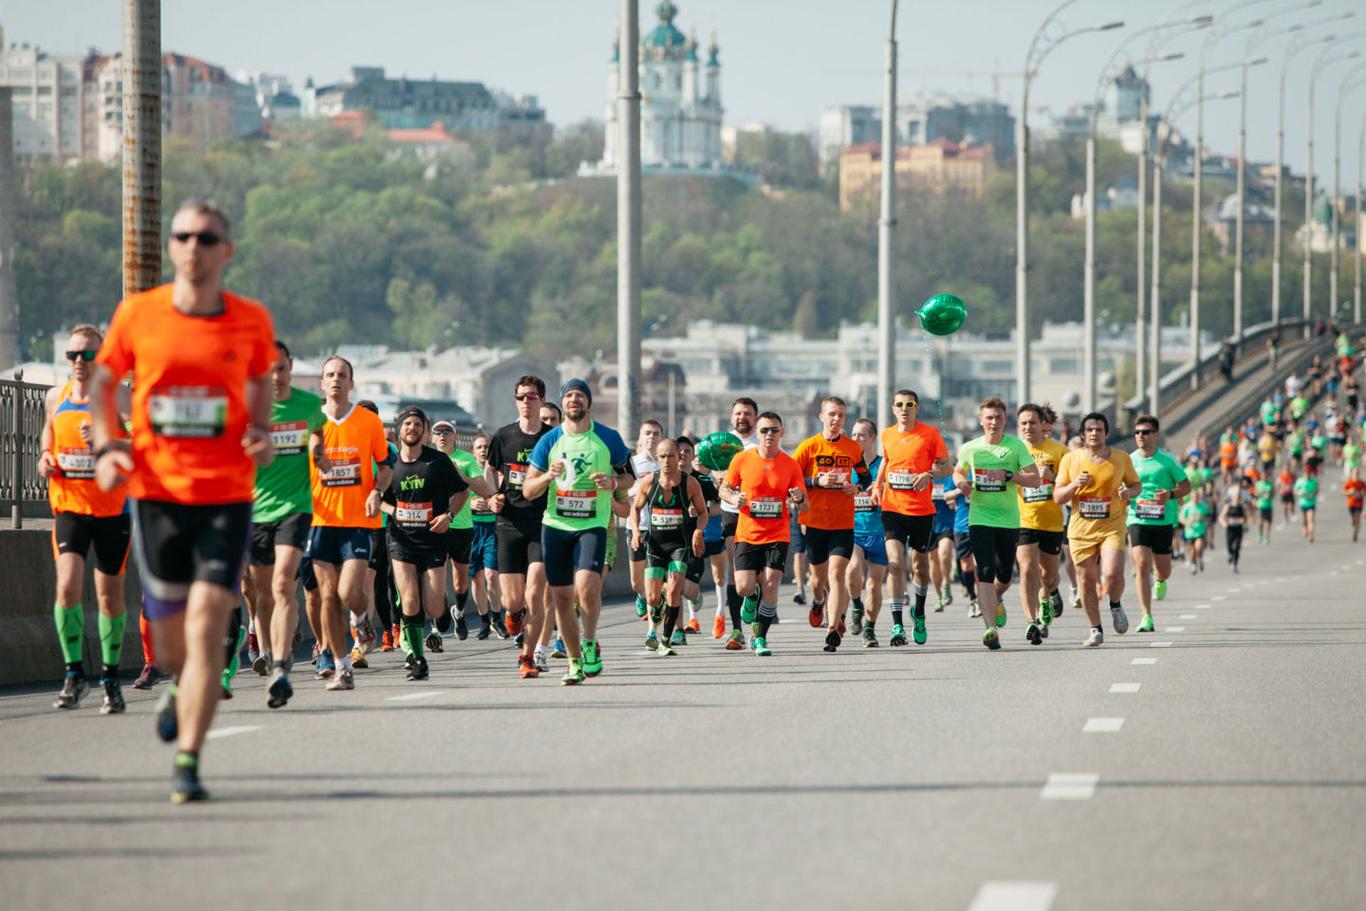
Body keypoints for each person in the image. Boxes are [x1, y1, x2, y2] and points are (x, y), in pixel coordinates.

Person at [90, 199, 276, 802]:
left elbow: (257, 385)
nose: (193, 246)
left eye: (206, 237)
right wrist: (108, 447)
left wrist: (260, 433)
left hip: (226, 497)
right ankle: (176, 687)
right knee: (173, 648)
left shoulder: (250, 320)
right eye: (183, 236)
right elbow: (101, 381)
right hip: (157, 497)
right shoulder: (138, 314)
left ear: (227, 251)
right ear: (171, 247)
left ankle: (189, 761)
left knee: (207, 629)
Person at [38, 324, 133, 712]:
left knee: (110, 597)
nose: (80, 362)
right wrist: (44, 456)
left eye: (89, 355)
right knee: (67, 586)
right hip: (69, 507)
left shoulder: (118, 396)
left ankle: (110, 678)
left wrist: (107, 441)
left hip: (113, 509)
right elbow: (48, 433)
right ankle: (74, 673)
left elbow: (144, 442)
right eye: (73, 355)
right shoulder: (53, 396)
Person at [522, 379, 632, 685]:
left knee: (587, 588)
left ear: (588, 402)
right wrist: (548, 476)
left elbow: (629, 480)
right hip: (555, 526)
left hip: (591, 525)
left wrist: (612, 484)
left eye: (579, 395)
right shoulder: (549, 441)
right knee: (559, 597)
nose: (574, 400)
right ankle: (573, 663)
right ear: (563, 401)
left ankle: (589, 642)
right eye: (568, 395)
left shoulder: (608, 438)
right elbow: (528, 490)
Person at [241, 340, 323, 708]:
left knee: (281, 583)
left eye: (281, 368)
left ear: (290, 368)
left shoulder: (308, 406)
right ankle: (274, 651)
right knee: (261, 595)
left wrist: (317, 451)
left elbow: (318, 432)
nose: (275, 376)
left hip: (295, 507)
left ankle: (279, 667)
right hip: (256, 510)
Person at [307, 356, 392, 692]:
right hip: (320, 519)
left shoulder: (367, 421)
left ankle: (360, 618)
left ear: (352, 383)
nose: (336, 380)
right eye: (330, 375)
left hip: (358, 520)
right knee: (327, 595)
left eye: (342, 375)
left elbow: (385, 466)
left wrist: (377, 491)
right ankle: (342, 666)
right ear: (322, 383)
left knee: (348, 592)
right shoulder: (312, 421)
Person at [381, 407, 472, 680]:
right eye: (407, 423)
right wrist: (392, 511)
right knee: (409, 600)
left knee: (432, 608)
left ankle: (441, 607)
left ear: (425, 430)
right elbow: (379, 498)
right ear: (399, 430)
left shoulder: (438, 461)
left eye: (417, 424)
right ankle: (418, 660)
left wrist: (449, 515)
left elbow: (461, 492)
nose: (412, 428)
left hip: (433, 540)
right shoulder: (390, 464)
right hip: (401, 539)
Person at [952, 397, 1041, 650]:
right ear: (981, 421)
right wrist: (961, 483)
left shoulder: (1016, 447)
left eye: (998, 417)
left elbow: (1035, 479)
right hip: (980, 518)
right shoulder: (970, 448)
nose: (993, 422)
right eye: (989, 417)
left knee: (1004, 574)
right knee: (985, 571)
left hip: (1009, 520)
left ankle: (997, 598)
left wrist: (1010, 475)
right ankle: (990, 629)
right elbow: (958, 471)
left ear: (1005, 420)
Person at [720, 411, 807, 657]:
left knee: (772, 581)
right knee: (744, 589)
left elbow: (802, 498)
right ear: (757, 433)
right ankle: (753, 593)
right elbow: (725, 489)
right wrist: (734, 497)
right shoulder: (741, 459)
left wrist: (799, 497)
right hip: (747, 533)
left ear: (782, 432)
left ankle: (759, 637)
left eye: (774, 430)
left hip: (777, 533)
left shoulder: (790, 464)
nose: (769, 434)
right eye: (764, 430)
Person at [1053, 412, 1141, 648]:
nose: (1094, 433)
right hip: (1081, 529)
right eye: (1090, 429)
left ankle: (1115, 604)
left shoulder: (1121, 458)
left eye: (1099, 429)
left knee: (1112, 574)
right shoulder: (1070, 460)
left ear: (1106, 434)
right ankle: (1095, 629)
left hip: (1112, 525)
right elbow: (1058, 497)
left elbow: (1136, 485)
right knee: (1086, 579)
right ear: (1082, 434)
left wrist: (1128, 493)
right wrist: (1074, 485)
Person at [485, 376, 553, 678]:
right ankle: (512, 616)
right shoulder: (503, 436)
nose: (527, 401)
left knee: (535, 594)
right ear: (516, 401)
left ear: (541, 401)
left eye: (533, 397)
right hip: (509, 521)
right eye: (522, 397)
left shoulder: (552, 437)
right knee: (513, 601)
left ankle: (527, 657)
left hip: (542, 522)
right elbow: (490, 469)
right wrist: (492, 496)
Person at [871, 389, 951, 648]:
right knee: (894, 563)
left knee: (920, 566)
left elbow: (946, 466)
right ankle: (897, 624)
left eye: (909, 404)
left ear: (916, 408)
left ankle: (918, 611)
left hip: (922, 511)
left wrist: (929, 474)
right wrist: (876, 485)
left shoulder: (930, 435)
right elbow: (886, 461)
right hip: (892, 509)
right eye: (899, 405)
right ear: (893, 409)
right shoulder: (887, 434)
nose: (904, 408)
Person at [793, 396, 871, 653]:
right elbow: (792, 481)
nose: (836, 419)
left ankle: (832, 627)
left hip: (843, 522)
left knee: (837, 573)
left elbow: (865, 477)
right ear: (822, 416)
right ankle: (818, 601)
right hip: (814, 521)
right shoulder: (808, 447)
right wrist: (817, 482)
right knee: (818, 580)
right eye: (832, 414)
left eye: (841, 415)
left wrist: (855, 486)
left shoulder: (852, 448)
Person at [628, 438, 708, 657]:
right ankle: (659, 606)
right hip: (655, 545)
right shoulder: (648, 482)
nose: (666, 461)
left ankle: (665, 640)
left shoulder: (689, 483)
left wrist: (698, 531)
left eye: (670, 456)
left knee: (674, 589)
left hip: (679, 546)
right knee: (652, 599)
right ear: (657, 457)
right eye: (661, 456)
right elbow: (635, 509)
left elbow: (703, 513)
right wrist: (636, 531)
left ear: (678, 457)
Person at [431, 421, 502, 641]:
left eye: (447, 432)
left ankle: (458, 613)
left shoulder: (466, 459)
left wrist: (459, 476)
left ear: (455, 437)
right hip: (433, 526)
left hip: (461, 526)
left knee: (461, 582)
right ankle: (437, 625)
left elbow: (483, 489)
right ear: (432, 438)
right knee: (436, 578)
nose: (442, 436)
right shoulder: (426, 459)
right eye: (438, 432)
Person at [1126, 415, 1189, 633]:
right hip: (1137, 518)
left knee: (1163, 569)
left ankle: (1161, 580)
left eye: (1145, 432)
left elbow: (1186, 486)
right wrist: (1124, 494)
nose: (1140, 436)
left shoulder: (1168, 460)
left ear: (1156, 435)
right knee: (1142, 565)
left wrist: (1170, 494)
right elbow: (1121, 487)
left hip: (1163, 519)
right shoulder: (1130, 460)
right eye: (1137, 433)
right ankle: (1146, 616)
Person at [1014, 403, 1068, 645]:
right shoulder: (1013, 451)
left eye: (1032, 423)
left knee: (1050, 577)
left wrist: (1053, 477)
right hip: (1023, 519)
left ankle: (1046, 596)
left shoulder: (1060, 452)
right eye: (1023, 423)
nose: (1028, 427)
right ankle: (1031, 621)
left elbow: (1069, 484)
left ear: (1041, 425)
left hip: (1052, 521)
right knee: (1026, 569)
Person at [714, 397, 761, 649]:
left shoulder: (761, 442)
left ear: (755, 417)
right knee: (733, 566)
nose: (742, 417)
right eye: (738, 414)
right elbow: (703, 464)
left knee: (756, 575)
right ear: (731, 417)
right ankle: (736, 631)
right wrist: (714, 474)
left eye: (747, 413)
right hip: (731, 509)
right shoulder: (722, 442)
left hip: (758, 513)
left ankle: (756, 628)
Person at [846, 419, 888, 647]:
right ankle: (855, 604)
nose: (856, 439)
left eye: (861, 435)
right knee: (853, 567)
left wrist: (880, 489)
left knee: (873, 585)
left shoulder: (884, 465)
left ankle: (869, 629)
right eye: (853, 434)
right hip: (854, 531)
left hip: (879, 532)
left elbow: (896, 494)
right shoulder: (848, 466)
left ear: (872, 438)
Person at [466, 433, 503, 650]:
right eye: (479, 447)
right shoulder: (468, 473)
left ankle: (497, 618)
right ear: (473, 451)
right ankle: (483, 621)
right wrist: (472, 502)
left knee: (491, 575)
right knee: (477, 578)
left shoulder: (497, 475)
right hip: (471, 529)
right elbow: (457, 499)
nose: (483, 450)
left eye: (486, 447)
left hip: (492, 528)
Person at [627, 420, 664, 625]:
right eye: (647, 433)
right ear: (640, 437)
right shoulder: (632, 463)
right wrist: (638, 490)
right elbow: (622, 493)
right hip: (636, 527)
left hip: (659, 528)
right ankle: (641, 595)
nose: (651, 437)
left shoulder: (665, 463)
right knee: (635, 582)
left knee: (657, 580)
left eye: (656, 433)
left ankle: (656, 622)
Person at [1218, 477, 1253, 573]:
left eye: (1238, 497)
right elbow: (1221, 517)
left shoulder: (1242, 507)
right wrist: (1224, 523)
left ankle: (1235, 564)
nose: (1237, 498)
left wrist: (1244, 522)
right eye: (1235, 496)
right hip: (1230, 528)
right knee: (1229, 544)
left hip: (1238, 528)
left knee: (1237, 546)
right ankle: (1230, 554)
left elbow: (1247, 518)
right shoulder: (1228, 506)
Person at [1179, 490, 1211, 573]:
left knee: (1199, 546)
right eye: (1193, 497)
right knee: (1192, 551)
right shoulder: (1187, 507)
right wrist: (1187, 522)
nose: (1195, 499)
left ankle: (1200, 558)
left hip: (1200, 531)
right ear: (1191, 498)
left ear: (1199, 497)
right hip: (1189, 533)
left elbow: (1209, 518)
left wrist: (1202, 518)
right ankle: (1194, 564)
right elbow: (1181, 518)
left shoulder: (1203, 506)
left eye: (1197, 497)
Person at [1294, 469, 1319, 542]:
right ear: (1304, 473)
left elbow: (1317, 490)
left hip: (1311, 503)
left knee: (1311, 520)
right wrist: (1300, 493)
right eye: (1306, 473)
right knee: (1304, 520)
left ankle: (1311, 536)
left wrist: (1313, 494)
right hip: (1303, 503)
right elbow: (1295, 490)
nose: (1307, 474)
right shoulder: (1300, 481)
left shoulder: (1314, 481)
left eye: (1309, 473)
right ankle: (1305, 528)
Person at [1254, 471, 1276, 544]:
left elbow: (1273, 494)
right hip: (1260, 505)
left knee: (1268, 522)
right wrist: (1260, 494)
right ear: (1261, 476)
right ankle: (1260, 534)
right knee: (1260, 521)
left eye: (1265, 476)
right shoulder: (1258, 484)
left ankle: (1267, 537)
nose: (1264, 477)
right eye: (1263, 476)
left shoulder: (1270, 484)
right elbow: (1255, 494)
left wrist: (1270, 495)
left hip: (1268, 505)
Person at [1343, 468, 1364, 542]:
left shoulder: (1362, 483)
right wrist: (1350, 491)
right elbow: (1343, 492)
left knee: (1358, 519)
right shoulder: (1349, 482)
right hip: (1351, 504)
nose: (1356, 474)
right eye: (1355, 473)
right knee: (1353, 520)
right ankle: (1354, 525)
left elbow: (1364, 492)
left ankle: (1355, 533)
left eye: (1357, 473)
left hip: (1359, 504)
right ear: (1352, 474)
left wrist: (1361, 493)